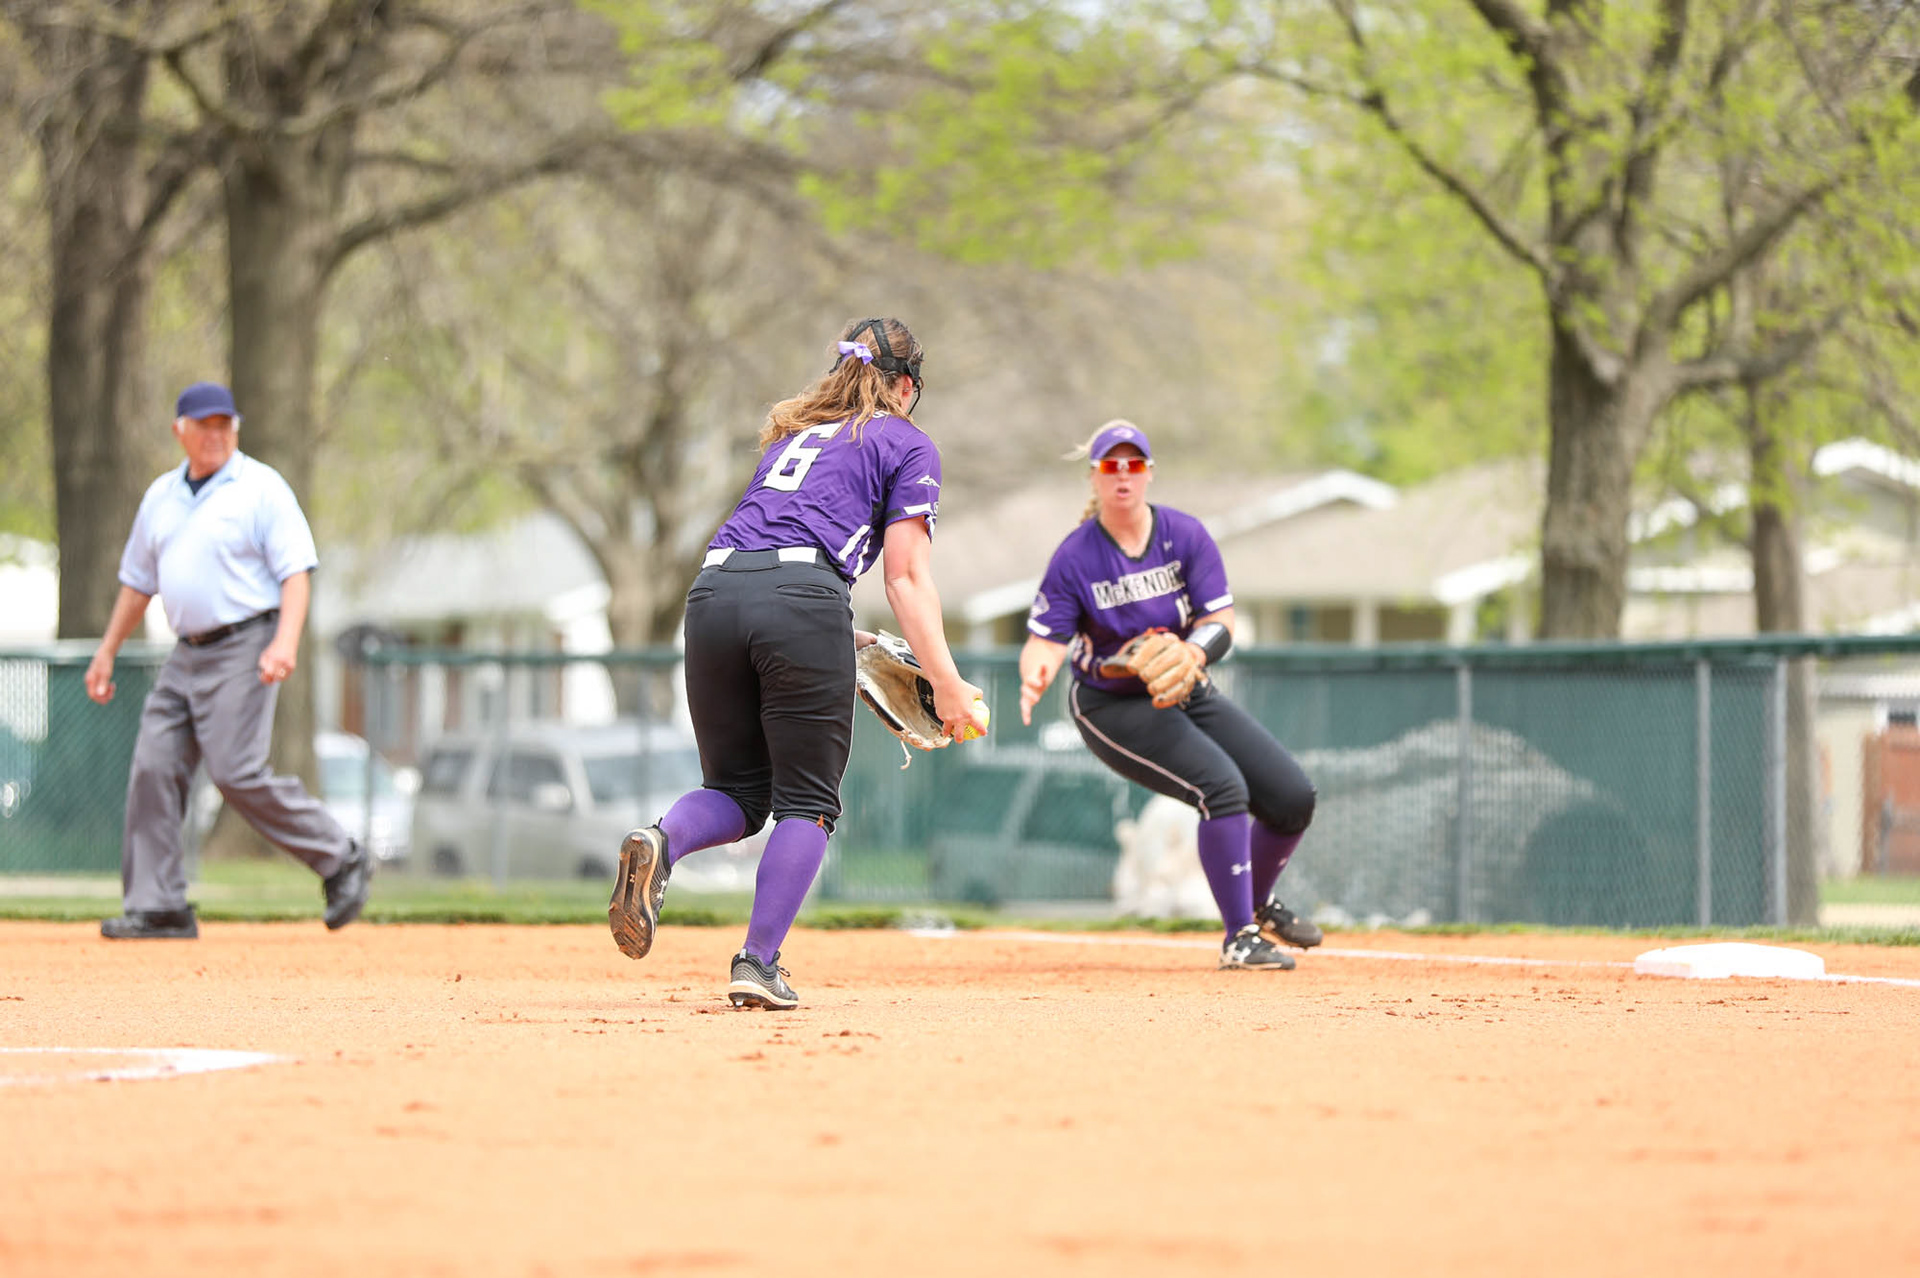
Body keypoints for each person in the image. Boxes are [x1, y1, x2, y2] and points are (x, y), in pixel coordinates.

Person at [607, 317, 980, 1009]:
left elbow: (769, 557)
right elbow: (904, 578)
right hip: (801, 603)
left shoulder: (793, 438)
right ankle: (758, 963)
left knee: (737, 791)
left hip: (713, 594)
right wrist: (947, 682)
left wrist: (842, 635)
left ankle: (661, 840)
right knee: (806, 804)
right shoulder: (906, 441)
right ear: (905, 386)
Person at [1017, 420, 1319, 970]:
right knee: (1221, 787)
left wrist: (1193, 653)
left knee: (1291, 796)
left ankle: (1255, 903)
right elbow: (1045, 640)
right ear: (1095, 477)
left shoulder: (1184, 535)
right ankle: (1240, 937)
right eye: (1111, 465)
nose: (1123, 475)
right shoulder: (1077, 556)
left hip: (1185, 687)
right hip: (1109, 704)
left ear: (1150, 473)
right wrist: (1035, 675)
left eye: (1134, 464)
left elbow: (1219, 618)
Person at [85, 381, 371, 939]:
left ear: (236, 429)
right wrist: (107, 649)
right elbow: (137, 583)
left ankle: (341, 856)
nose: (216, 434)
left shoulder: (260, 488)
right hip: (185, 651)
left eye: (225, 424)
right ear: (180, 430)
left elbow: (296, 573)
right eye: (204, 425)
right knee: (153, 765)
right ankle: (159, 905)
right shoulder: (161, 496)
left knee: (235, 771)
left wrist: (285, 642)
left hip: (246, 643)